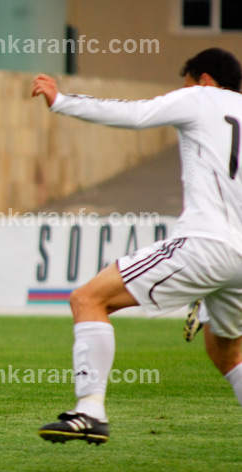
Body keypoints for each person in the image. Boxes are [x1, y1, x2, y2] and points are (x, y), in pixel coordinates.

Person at [32, 47, 242, 445]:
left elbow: (135, 114)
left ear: (204, 79)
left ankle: (89, 411)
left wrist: (62, 101)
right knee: (228, 353)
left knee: (88, 298)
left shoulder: (200, 97)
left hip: (205, 243)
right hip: (239, 257)